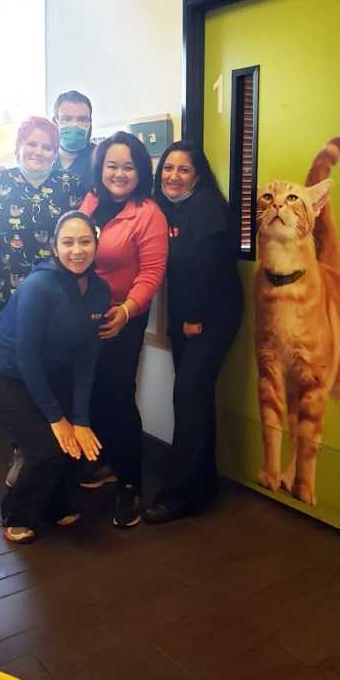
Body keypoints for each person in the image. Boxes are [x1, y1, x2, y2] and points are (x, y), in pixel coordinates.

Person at [0, 212, 111, 543]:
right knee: (47, 444)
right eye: (68, 242)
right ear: (55, 247)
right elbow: (25, 357)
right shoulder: (38, 286)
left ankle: (54, 503)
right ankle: (15, 512)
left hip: (42, 370)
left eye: (85, 241)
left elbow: (88, 358)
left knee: (76, 439)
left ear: (96, 244)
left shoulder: (100, 291)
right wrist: (57, 417)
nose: (77, 250)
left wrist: (80, 418)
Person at [143, 141, 244, 524]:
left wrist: (194, 318)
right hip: (187, 317)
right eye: (168, 168)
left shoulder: (205, 207)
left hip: (209, 317)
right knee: (194, 399)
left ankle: (180, 495)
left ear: (197, 175)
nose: (173, 175)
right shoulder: (167, 207)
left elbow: (210, 268)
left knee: (188, 398)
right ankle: (203, 486)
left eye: (183, 169)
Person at [81, 131, 168, 528]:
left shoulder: (148, 213)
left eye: (128, 166)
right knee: (92, 393)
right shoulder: (92, 202)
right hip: (85, 317)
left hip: (123, 319)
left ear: (140, 172)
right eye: (111, 165)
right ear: (100, 168)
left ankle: (131, 485)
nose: (119, 173)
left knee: (117, 397)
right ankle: (106, 466)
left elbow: (151, 274)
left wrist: (127, 311)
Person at [0, 115, 83, 308]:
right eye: (31, 144)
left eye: (47, 147)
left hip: (57, 291)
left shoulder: (69, 183)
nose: (38, 152)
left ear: (55, 153)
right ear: (18, 146)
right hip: (7, 291)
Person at [53, 90, 96, 194]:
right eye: (67, 119)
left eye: (82, 120)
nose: (75, 125)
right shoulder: (43, 158)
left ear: (90, 123)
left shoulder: (101, 158)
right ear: (55, 122)